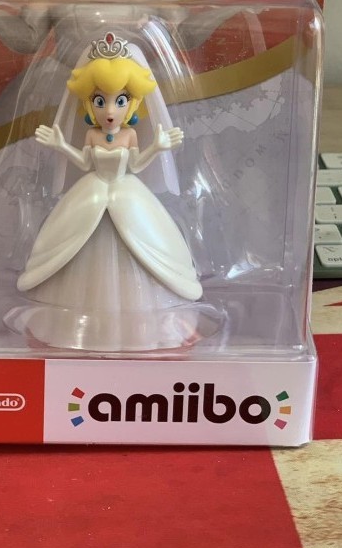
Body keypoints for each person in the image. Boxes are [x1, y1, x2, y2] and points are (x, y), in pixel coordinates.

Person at [13, 33, 203, 351]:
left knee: (145, 245)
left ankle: (143, 329)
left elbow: (137, 165)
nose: (110, 110)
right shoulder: (92, 135)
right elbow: (83, 162)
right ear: (90, 103)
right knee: (70, 243)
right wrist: (60, 145)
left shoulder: (128, 136)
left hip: (128, 196)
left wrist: (157, 147)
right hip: (90, 194)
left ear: (133, 103)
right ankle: (72, 326)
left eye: (120, 100)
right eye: (101, 101)